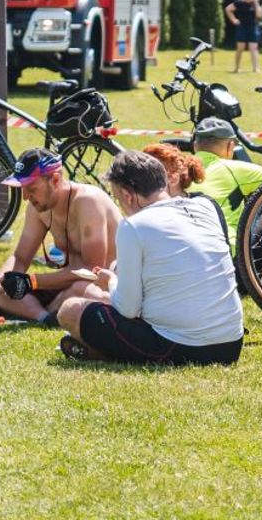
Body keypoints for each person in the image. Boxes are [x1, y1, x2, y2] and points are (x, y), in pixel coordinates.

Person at [56, 151, 243, 365]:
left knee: (70, 310)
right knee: (100, 293)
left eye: (118, 199)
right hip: (231, 344)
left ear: (127, 195)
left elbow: (128, 308)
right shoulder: (206, 206)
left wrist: (111, 282)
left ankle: (101, 352)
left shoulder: (133, 225)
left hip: (180, 345)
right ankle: (100, 352)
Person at [0, 148, 119, 327]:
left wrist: (31, 282)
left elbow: (92, 270)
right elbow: (20, 257)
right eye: (23, 189)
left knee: (81, 289)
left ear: (55, 180)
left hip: (101, 285)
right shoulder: (38, 207)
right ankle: (45, 317)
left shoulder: (88, 201)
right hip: (65, 286)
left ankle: (37, 312)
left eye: (31, 188)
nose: (25, 197)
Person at [192, 116, 262, 251]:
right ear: (231, 146)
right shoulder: (232, 169)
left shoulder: (178, 171)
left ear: (195, 146)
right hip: (225, 253)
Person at [226, 0, 262, 73]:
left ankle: (256, 68)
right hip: (242, 27)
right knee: (240, 47)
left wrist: (256, 3)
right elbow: (228, 9)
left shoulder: (255, 3)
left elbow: (259, 15)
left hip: (253, 27)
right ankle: (237, 68)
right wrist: (234, 20)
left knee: (253, 48)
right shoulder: (239, 2)